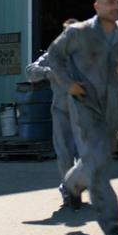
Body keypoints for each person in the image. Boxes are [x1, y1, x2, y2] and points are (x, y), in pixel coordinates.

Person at [46, 0, 118, 235]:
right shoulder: (77, 32)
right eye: (109, 2)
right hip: (84, 101)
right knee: (98, 158)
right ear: (96, 6)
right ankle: (109, 221)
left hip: (113, 102)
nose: (115, 6)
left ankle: (71, 184)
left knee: (100, 154)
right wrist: (67, 84)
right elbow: (54, 56)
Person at [26, 18, 80, 209]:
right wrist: (49, 72)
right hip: (61, 110)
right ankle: (69, 190)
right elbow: (30, 71)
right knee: (64, 152)